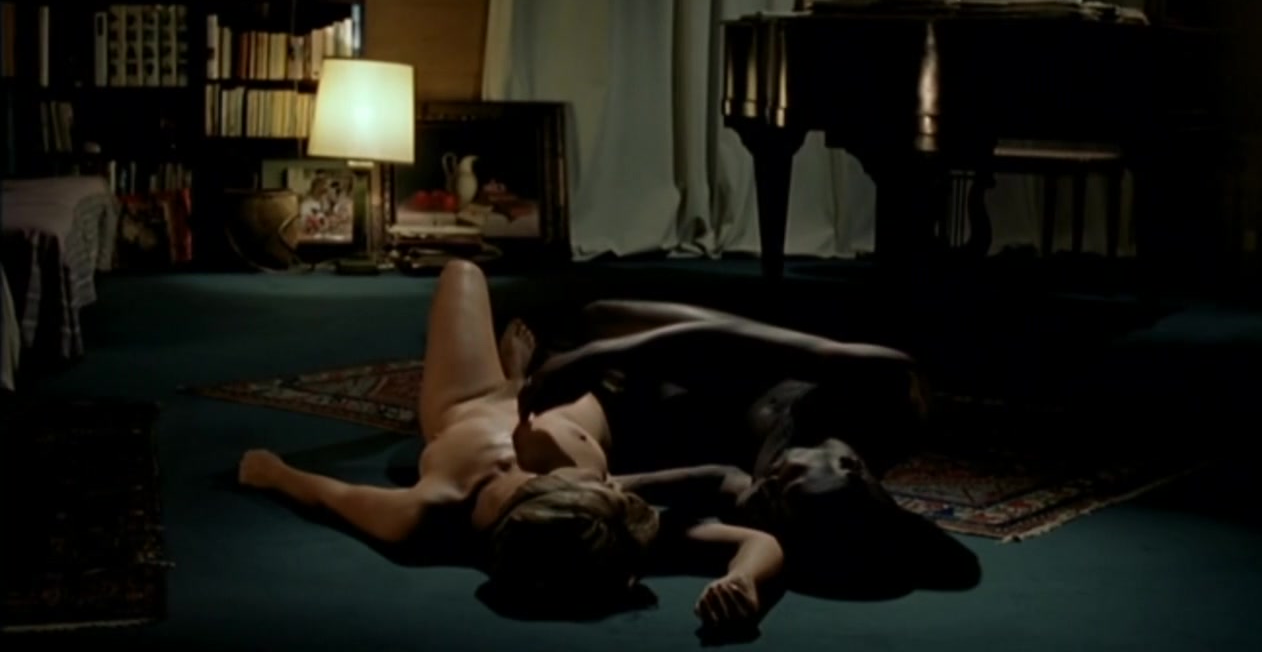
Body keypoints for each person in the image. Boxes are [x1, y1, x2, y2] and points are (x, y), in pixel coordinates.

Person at [237, 260, 784, 631]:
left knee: (463, 271)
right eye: (601, 485)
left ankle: (514, 369)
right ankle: (528, 366)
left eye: (586, 481)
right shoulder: (608, 527)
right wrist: (744, 581)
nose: (610, 487)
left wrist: (271, 472)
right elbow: (758, 542)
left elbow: (326, 495)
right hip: (597, 385)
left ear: (538, 497)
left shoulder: (428, 512)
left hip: (471, 398)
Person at [517, 299, 982, 597]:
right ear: (848, 465)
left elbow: (718, 480)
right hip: (731, 350)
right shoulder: (889, 390)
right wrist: (597, 356)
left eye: (767, 499)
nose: (761, 490)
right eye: (779, 482)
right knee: (601, 321)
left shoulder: (794, 503)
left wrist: (606, 488)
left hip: (690, 409)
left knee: (575, 426)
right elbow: (726, 339)